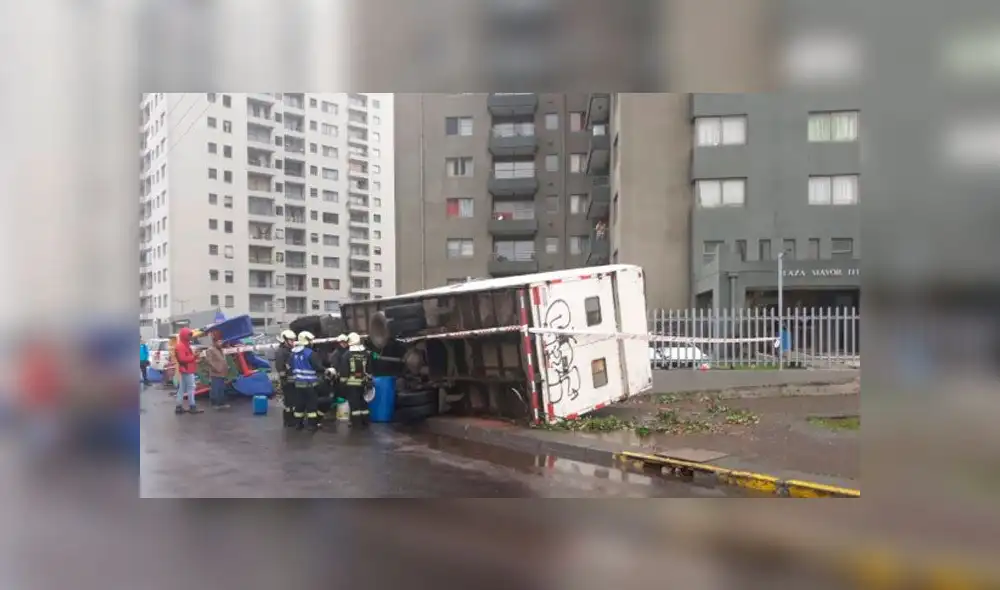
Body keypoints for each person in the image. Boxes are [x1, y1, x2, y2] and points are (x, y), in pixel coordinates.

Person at [289, 331, 326, 431]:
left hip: (298, 384)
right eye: (310, 340)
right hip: (310, 385)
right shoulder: (310, 353)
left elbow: (291, 367)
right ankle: (312, 425)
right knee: (311, 406)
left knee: (299, 405)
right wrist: (326, 370)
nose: (312, 342)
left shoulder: (293, 353)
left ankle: (298, 424)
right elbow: (318, 367)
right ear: (307, 341)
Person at [337, 332, 372, 427]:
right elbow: (369, 369)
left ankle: (357, 424)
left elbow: (344, 371)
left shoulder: (347, 355)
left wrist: (342, 385)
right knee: (363, 402)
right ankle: (365, 422)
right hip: (363, 383)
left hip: (351, 383)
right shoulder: (366, 353)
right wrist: (369, 381)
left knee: (354, 404)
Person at [173, 327, 202, 414]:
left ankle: (179, 406)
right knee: (191, 387)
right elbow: (182, 359)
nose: (190, 337)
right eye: (189, 335)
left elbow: (184, 358)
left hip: (186, 369)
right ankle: (192, 406)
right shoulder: (181, 346)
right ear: (184, 335)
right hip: (187, 369)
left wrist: (194, 358)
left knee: (182, 388)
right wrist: (194, 357)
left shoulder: (184, 345)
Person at [273, 329, 298, 427]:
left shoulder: (290, 350)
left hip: (292, 379)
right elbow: (280, 366)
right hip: (287, 381)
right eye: (291, 340)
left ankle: (292, 419)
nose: (293, 342)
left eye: (293, 340)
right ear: (285, 340)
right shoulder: (281, 352)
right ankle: (288, 420)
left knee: (293, 401)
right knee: (289, 402)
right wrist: (284, 378)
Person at [205, 330, 231, 410]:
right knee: (215, 389)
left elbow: (222, 360)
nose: (221, 343)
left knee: (222, 388)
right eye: (219, 342)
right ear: (215, 342)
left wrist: (226, 367)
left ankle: (222, 403)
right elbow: (209, 361)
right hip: (216, 373)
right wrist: (217, 369)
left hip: (222, 373)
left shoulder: (220, 349)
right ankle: (215, 403)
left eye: (221, 342)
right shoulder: (210, 350)